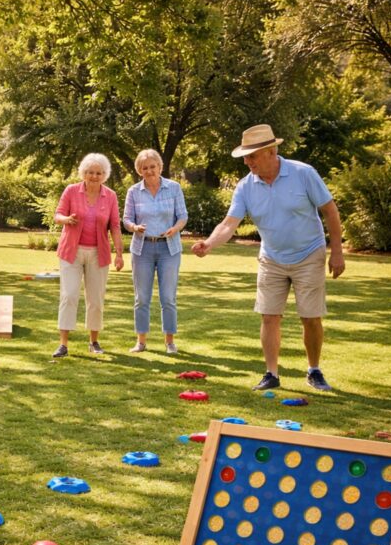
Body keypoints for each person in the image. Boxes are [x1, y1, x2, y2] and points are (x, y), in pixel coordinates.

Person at [192, 124, 345, 391]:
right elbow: (229, 224)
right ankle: (271, 374)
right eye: (245, 157)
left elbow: (330, 211)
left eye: (252, 156)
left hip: (309, 254)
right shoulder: (245, 186)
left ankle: (314, 370)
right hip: (271, 257)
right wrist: (209, 244)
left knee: (310, 317)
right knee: (269, 316)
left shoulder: (303, 173)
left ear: (271, 152)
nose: (247, 162)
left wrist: (337, 252)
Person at [51, 153, 124, 357]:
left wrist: (119, 253)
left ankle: (94, 341)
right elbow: (57, 215)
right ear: (84, 173)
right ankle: (63, 344)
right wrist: (66, 219)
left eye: (98, 173)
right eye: (90, 172)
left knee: (96, 299)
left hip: (98, 253)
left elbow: (115, 226)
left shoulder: (110, 196)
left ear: (104, 175)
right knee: (69, 295)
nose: (94, 176)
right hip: (71, 251)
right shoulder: (71, 190)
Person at [122, 149, 188, 354]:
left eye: (153, 166)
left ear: (160, 167)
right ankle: (141, 341)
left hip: (169, 248)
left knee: (168, 297)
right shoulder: (134, 191)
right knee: (142, 298)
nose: (149, 171)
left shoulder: (174, 188)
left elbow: (183, 216)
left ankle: (169, 341)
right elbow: (126, 220)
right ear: (139, 170)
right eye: (145, 168)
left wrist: (175, 229)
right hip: (142, 249)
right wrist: (134, 227)